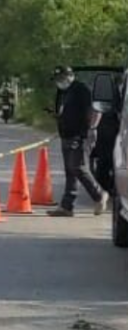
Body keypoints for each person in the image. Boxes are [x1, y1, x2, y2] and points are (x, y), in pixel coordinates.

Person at [48, 66, 109, 217]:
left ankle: (99, 194)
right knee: (70, 171)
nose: (59, 82)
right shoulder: (64, 92)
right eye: (57, 80)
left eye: (61, 79)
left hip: (80, 135)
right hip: (67, 135)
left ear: (69, 76)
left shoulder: (81, 90)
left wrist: (91, 129)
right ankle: (67, 206)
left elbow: (96, 110)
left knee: (78, 167)